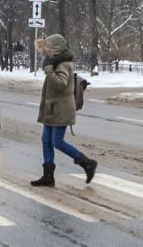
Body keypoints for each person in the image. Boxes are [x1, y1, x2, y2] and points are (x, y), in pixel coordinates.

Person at [31, 34, 98, 187]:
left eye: (48, 48)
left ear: (56, 48)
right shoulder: (55, 62)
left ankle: (87, 163)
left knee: (57, 142)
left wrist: (49, 71)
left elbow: (60, 84)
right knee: (46, 140)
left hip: (61, 109)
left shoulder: (63, 64)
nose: (45, 52)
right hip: (52, 108)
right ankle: (48, 176)